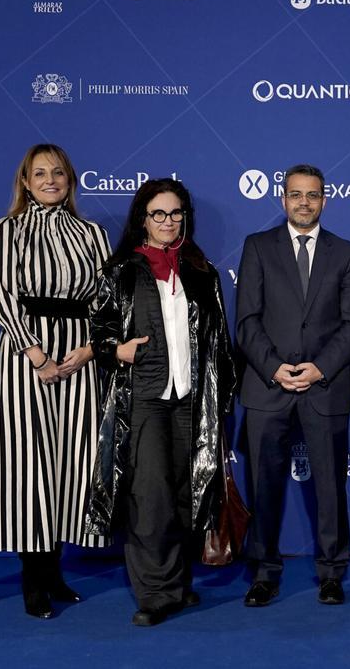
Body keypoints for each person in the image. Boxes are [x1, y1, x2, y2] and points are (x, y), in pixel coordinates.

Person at [84, 178, 237, 626]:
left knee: (189, 493)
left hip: (192, 400)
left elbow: (220, 340)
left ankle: (179, 582)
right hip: (145, 399)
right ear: (142, 219)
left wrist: (222, 398)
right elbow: (99, 329)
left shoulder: (200, 270)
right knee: (149, 498)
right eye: (159, 214)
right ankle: (155, 595)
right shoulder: (122, 270)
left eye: (175, 214)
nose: (168, 222)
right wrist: (117, 349)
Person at [0, 144, 112, 618]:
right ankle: (32, 578)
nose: (50, 180)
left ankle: (55, 571)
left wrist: (90, 348)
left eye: (58, 172)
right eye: (40, 173)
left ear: (70, 179)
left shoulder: (92, 233)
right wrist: (35, 354)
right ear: (24, 181)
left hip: (81, 356)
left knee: (72, 465)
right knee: (28, 466)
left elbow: (104, 298)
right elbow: (1, 293)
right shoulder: (6, 229)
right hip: (25, 357)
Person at [236, 164, 350, 607]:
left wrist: (319, 368)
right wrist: (274, 368)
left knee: (329, 488)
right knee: (264, 486)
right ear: (283, 198)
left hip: (324, 386)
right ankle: (264, 573)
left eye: (312, 195)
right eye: (295, 195)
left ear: (324, 200)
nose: (304, 202)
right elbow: (247, 320)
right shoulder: (257, 247)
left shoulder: (347, 252)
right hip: (267, 386)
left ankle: (332, 573)